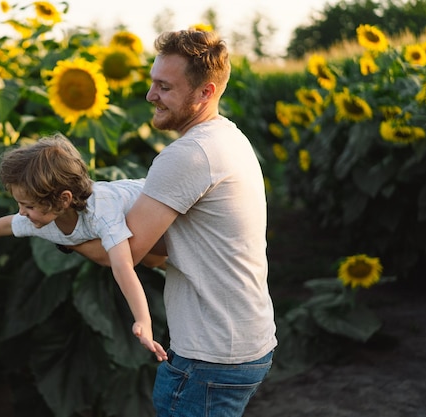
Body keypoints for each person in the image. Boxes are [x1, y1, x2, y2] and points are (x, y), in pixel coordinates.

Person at [70, 29, 277, 417]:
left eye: (164, 87)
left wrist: (57, 230)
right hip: (243, 342)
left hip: (209, 355)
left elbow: (125, 253)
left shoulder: (189, 155)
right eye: (152, 82)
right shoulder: (229, 138)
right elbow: (166, 249)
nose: (151, 96)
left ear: (205, 92)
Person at [0, 133, 168, 362]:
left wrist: (143, 320)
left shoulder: (101, 212)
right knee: (151, 259)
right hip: (140, 228)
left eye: (28, 205)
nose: (22, 212)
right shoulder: (44, 217)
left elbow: (123, 267)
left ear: (64, 199)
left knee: (151, 255)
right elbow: (8, 224)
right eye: (19, 204)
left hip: (155, 203)